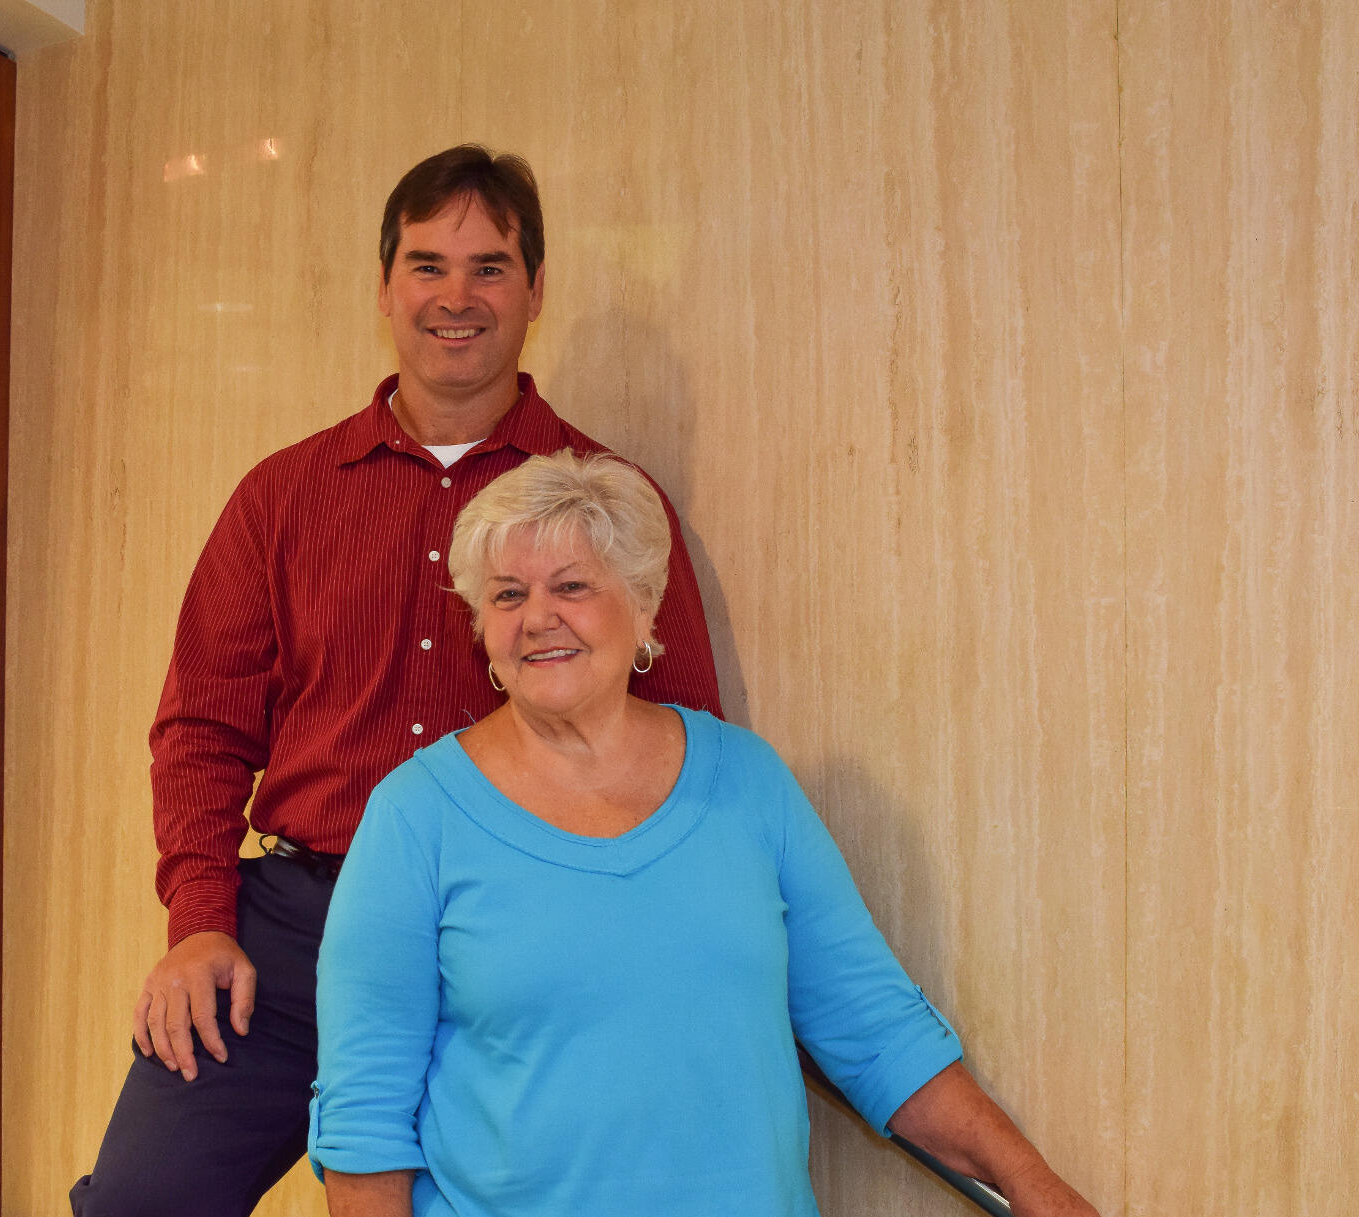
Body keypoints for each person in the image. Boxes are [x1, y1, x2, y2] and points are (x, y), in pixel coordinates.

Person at [70, 147, 723, 1217]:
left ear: (535, 290)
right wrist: (198, 919)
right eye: (427, 265)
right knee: (138, 1200)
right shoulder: (280, 497)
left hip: (510, 927)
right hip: (290, 933)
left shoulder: (609, 502)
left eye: (489, 267)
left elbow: (685, 730)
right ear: (384, 290)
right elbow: (200, 727)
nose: (456, 297)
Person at [310, 450, 1101, 1217]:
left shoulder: (747, 781)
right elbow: (364, 1111)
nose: (537, 617)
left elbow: (873, 1025)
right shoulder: (417, 814)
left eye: (572, 586)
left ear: (647, 608)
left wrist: (1034, 1183)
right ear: (480, 625)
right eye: (507, 594)